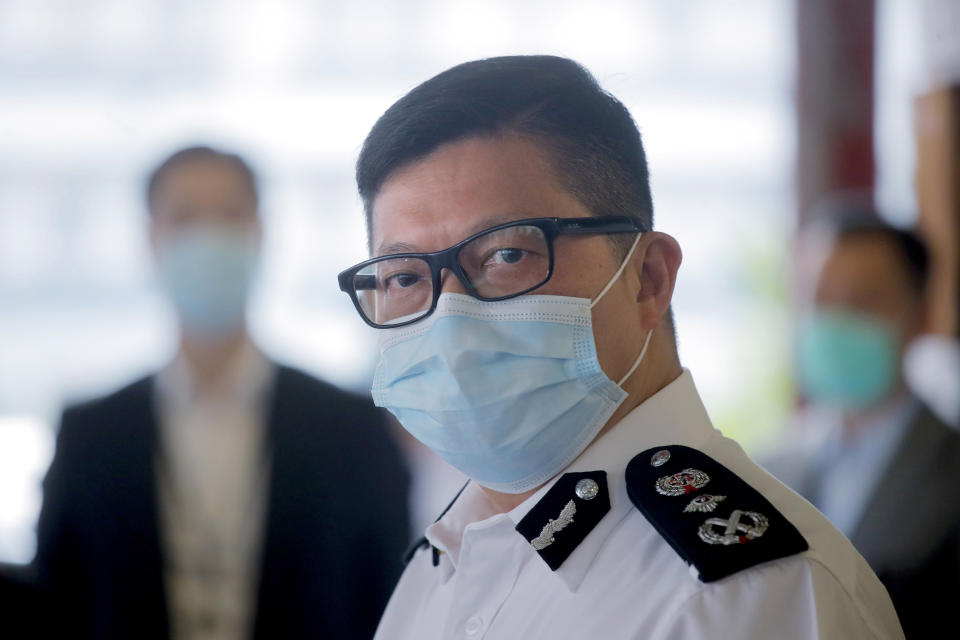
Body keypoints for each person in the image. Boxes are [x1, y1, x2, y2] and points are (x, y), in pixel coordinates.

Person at [336, 55, 903, 639]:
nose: (451, 319)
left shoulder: (748, 597)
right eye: (404, 278)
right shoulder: (445, 562)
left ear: (648, 278)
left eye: (507, 255)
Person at [35, 146, 410, 640]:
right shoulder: (90, 433)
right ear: (151, 239)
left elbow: (391, 601)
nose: (208, 238)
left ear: (259, 233)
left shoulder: (352, 426)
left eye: (229, 215)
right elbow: (53, 605)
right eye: (185, 217)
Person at [762, 208, 960, 637]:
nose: (836, 320)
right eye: (819, 298)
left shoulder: (949, 469)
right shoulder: (770, 469)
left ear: (924, 315)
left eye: (862, 300)